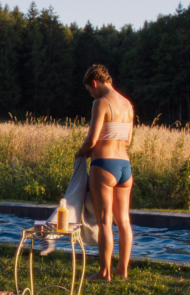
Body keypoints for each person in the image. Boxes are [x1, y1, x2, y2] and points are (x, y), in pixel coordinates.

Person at [74, 64, 134, 281]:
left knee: (105, 221)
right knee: (124, 221)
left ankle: (104, 272)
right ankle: (123, 270)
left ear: (95, 83)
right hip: (125, 167)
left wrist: (79, 153)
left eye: (90, 90)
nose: (91, 94)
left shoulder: (101, 103)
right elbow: (127, 139)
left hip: (104, 165)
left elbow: (92, 139)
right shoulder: (127, 105)